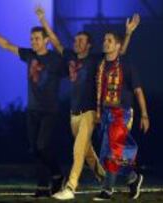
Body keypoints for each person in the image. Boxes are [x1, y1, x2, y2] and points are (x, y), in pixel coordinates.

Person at [35, 6, 141, 200]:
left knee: (78, 150)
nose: (76, 43)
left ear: (89, 45)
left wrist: (128, 34)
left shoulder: (96, 60)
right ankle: (122, 178)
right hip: (73, 114)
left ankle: (70, 187)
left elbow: (120, 51)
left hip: (90, 112)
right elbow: (57, 42)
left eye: (81, 41)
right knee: (87, 153)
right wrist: (43, 20)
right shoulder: (70, 57)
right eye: (75, 40)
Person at [0, 12, 65, 198]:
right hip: (32, 111)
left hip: (49, 111)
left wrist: (44, 21)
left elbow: (59, 45)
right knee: (35, 149)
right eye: (31, 39)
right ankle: (42, 187)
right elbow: (6, 44)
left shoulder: (56, 60)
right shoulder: (28, 55)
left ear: (46, 41)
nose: (33, 42)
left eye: (36, 38)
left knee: (43, 146)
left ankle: (58, 175)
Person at [93, 31, 150, 201]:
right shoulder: (101, 63)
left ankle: (107, 190)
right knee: (104, 156)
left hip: (122, 112)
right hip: (104, 113)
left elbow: (138, 90)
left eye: (109, 40)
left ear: (118, 45)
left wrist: (145, 114)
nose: (105, 42)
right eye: (104, 39)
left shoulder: (126, 65)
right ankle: (132, 177)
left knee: (114, 151)